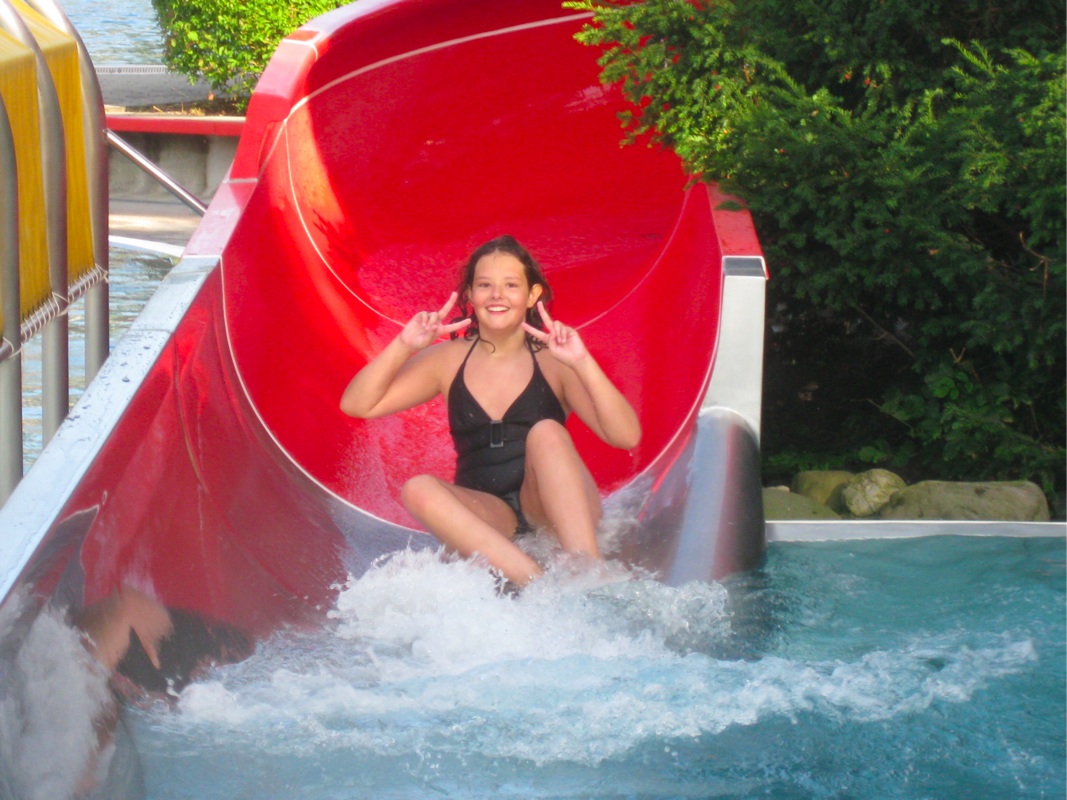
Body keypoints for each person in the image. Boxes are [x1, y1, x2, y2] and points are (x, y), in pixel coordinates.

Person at [340, 235, 640, 587]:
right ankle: (538, 586)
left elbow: (626, 436)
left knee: (546, 432)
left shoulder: (556, 361)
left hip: (552, 509)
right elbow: (358, 404)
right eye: (485, 285)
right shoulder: (447, 360)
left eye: (511, 285)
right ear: (470, 294)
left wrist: (583, 362)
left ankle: (587, 571)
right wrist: (404, 345)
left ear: (532, 295)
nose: (497, 295)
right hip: (489, 514)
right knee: (418, 488)